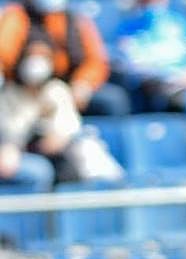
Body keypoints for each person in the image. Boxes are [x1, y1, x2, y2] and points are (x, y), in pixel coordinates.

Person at [0, 0, 129, 116]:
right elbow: (4, 56)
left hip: (65, 86)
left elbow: (95, 61)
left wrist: (84, 83)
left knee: (113, 99)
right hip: (22, 89)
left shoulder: (76, 20)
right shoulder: (16, 16)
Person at [0, 39, 123, 184]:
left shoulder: (56, 89)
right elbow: (11, 132)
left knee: (88, 157)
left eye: (42, 56)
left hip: (61, 150)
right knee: (39, 171)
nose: (36, 63)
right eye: (31, 56)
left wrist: (58, 136)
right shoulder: (10, 94)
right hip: (25, 150)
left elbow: (69, 124)